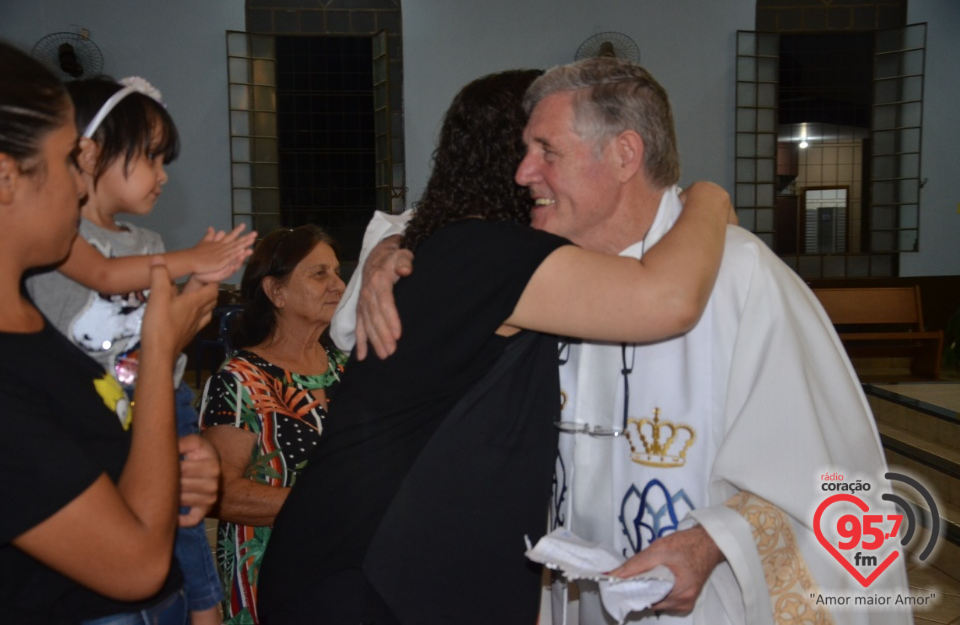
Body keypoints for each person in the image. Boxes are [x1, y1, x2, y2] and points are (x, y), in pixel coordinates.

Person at [348, 58, 913, 625]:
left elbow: (828, 473)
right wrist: (384, 252)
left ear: (624, 154)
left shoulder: (742, 279)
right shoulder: (541, 271)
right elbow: (436, 229)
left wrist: (711, 544)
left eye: (547, 151)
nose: (523, 173)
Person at [256, 68, 732, 625]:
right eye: (530, 148)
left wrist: (393, 242)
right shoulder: (486, 255)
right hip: (364, 575)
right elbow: (667, 299)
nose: (535, 169)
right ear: (504, 160)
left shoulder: (454, 248)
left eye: (547, 150)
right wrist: (709, 196)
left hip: (373, 564)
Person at [0, 40, 220, 623]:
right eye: (69, 158)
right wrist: (159, 350)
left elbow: (91, 461)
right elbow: (134, 564)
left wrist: (174, 462)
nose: (80, 182)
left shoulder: (32, 325)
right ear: (5, 177)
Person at [198, 225, 348, 625]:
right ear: (275, 291)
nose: (338, 284)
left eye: (336, 272)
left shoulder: (349, 372)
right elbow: (217, 493)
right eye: (319, 274)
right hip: (269, 578)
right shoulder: (240, 380)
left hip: (345, 573)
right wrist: (325, 508)